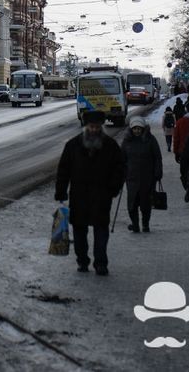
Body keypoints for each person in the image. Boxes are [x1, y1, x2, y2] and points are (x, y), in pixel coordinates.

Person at [54, 110, 125, 276]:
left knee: (101, 230)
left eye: (97, 127)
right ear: (86, 127)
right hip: (79, 196)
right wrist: (61, 191)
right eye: (91, 127)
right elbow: (63, 170)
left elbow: (120, 168)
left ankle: (100, 263)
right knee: (79, 231)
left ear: (101, 127)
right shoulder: (73, 145)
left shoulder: (110, 145)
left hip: (102, 195)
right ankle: (82, 261)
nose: (94, 130)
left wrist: (113, 188)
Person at [122, 117, 162, 233]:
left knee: (145, 204)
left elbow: (157, 157)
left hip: (147, 177)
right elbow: (121, 159)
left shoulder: (150, 140)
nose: (137, 131)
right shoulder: (127, 141)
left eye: (139, 128)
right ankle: (135, 224)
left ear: (143, 128)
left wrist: (158, 172)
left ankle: (145, 224)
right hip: (131, 178)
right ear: (131, 129)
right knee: (132, 204)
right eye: (135, 128)